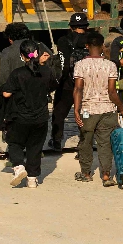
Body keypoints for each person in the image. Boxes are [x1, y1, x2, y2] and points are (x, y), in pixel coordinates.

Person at [73, 31, 123, 185]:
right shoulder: (110, 65)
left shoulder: (80, 65)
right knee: (105, 143)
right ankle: (106, 175)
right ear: (102, 45)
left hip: (87, 110)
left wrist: (76, 110)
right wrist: (122, 108)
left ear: (87, 46)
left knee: (86, 142)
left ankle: (86, 173)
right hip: (107, 110)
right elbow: (112, 92)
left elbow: (78, 89)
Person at [0, 40, 59, 188]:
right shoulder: (46, 72)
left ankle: (19, 167)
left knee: (14, 142)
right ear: (37, 54)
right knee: (35, 147)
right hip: (40, 117)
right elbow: (52, 86)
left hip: (20, 117)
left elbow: (6, 93)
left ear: (22, 56)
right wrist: (43, 65)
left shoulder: (18, 73)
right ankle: (32, 179)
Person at [50, 12, 91, 152]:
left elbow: (64, 64)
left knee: (59, 113)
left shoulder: (63, 40)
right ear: (86, 26)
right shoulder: (92, 40)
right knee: (84, 114)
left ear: (71, 26)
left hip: (67, 83)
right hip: (87, 84)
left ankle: (56, 141)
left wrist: (57, 81)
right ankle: (84, 143)